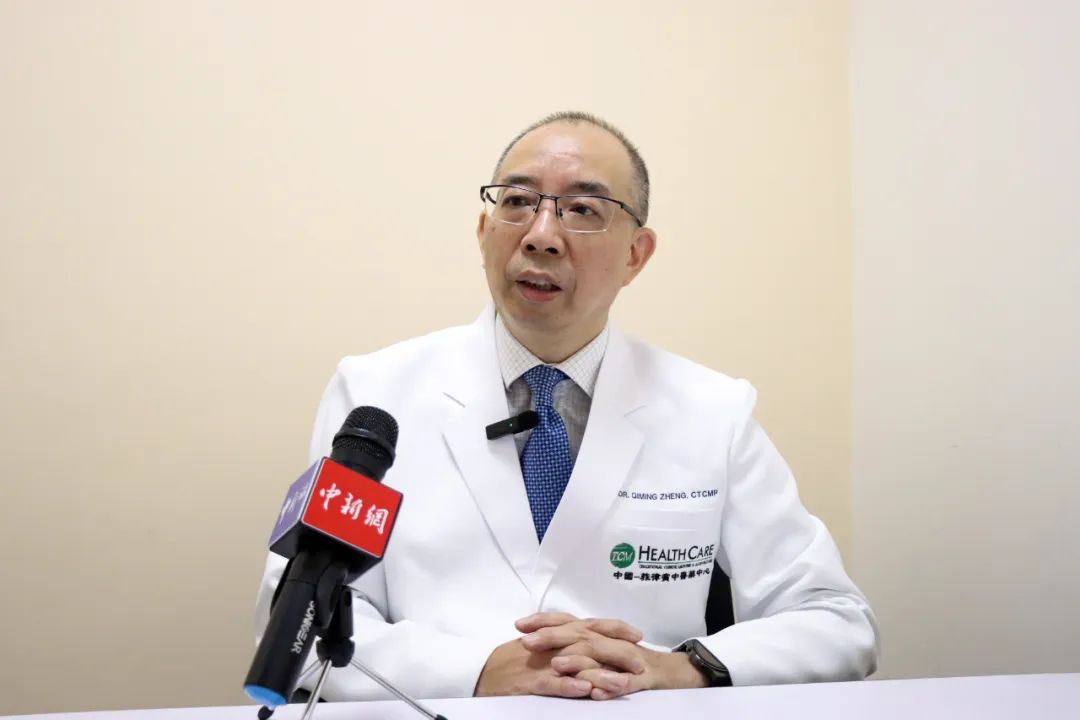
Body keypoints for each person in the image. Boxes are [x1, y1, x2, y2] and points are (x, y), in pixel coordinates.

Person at [254, 111, 880, 702]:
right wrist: (477, 671)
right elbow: (294, 624)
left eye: (583, 210)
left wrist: (678, 667)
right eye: (517, 202)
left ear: (636, 254)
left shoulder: (713, 411)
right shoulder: (375, 392)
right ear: (483, 232)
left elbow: (837, 620)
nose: (541, 236)